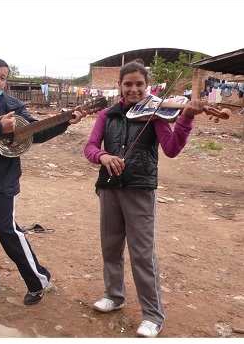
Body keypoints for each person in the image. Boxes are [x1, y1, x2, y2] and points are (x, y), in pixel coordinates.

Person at [83, 60, 205, 337]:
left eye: (140, 84)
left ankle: (153, 315)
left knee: (142, 254)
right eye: (128, 84)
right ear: (120, 86)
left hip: (140, 188)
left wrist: (185, 118)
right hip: (109, 187)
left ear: (147, 85)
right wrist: (103, 156)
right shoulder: (107, 114)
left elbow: (172, 149)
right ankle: (114, 296)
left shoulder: (158, 112)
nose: (134, 89)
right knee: (111, 247)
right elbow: (90, 147)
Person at [0, 58, 86, 305]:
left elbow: (36, 131)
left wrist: (64, 121)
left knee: (7, 230)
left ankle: (37, 280)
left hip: (4, 180)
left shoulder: (13, 105)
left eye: (3, 77)